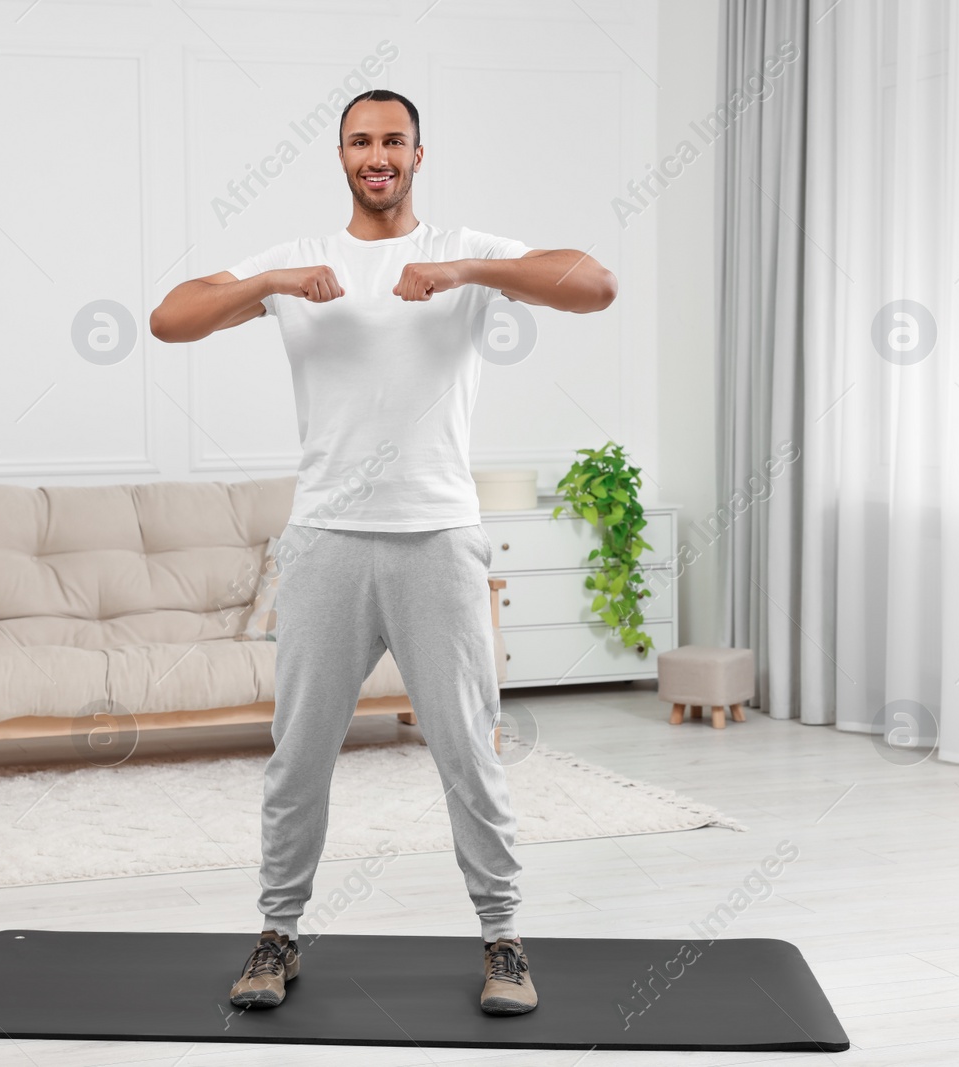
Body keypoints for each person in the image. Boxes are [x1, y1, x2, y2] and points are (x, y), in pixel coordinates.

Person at [149, 89, 617, 1016]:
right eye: (360, 141)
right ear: (340, 156)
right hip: (325, 539)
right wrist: (271, 287)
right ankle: (278, 932)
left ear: (417, 153)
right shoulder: (294, 261)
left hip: (437, 537)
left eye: (392, 141)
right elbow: (170, 317)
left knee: (470, 752)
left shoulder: (460, 252)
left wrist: (463, 270)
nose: (377, 155)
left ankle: (503, 937)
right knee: (300, 754)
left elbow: (595, 284)